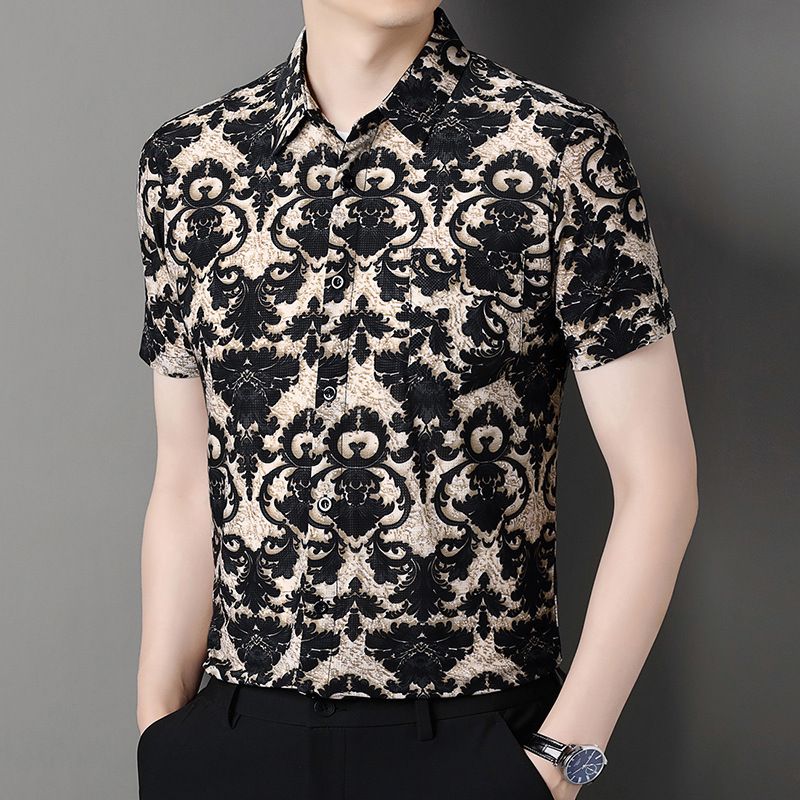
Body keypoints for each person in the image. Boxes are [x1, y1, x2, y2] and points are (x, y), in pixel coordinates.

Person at [134, 2, 698, 799]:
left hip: (472, 743)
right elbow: (187, 478)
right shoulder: (188, 165)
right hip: (233, 744)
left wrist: (561, 762)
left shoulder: (558, 150)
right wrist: (160, 731)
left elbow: (659, 483)